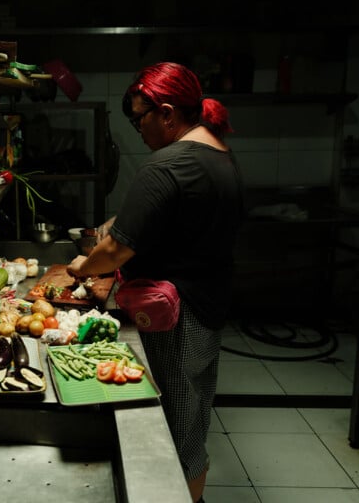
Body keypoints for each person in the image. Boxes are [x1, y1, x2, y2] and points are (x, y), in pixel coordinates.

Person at [67, 61, 245, 503]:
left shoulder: (167, 164)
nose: (138, 129)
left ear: (166, 114)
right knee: (193, 417)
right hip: (209, 311)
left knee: (170, 422)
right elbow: (179, 220)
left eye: (138, 118)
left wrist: (81, 267)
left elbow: (115, 251)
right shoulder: (221, 156)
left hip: (174, 320)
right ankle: (195, 495)